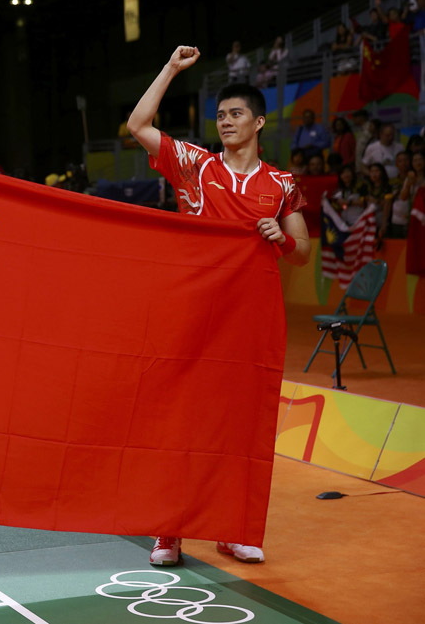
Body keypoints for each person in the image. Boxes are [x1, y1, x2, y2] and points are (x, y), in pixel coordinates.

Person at [127, 45, 310, 568]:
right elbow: (138, 123)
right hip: (194, 315)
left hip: (250, 322)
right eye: (221, 115)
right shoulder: (195, 167)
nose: (225, 122)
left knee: (241, 426)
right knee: (181, 423)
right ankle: (170, 531)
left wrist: (283, 239)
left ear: (259, 121)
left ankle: (234, 529)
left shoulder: (281, 185)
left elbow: (301, 252)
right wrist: (169, 68)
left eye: (235, 115)